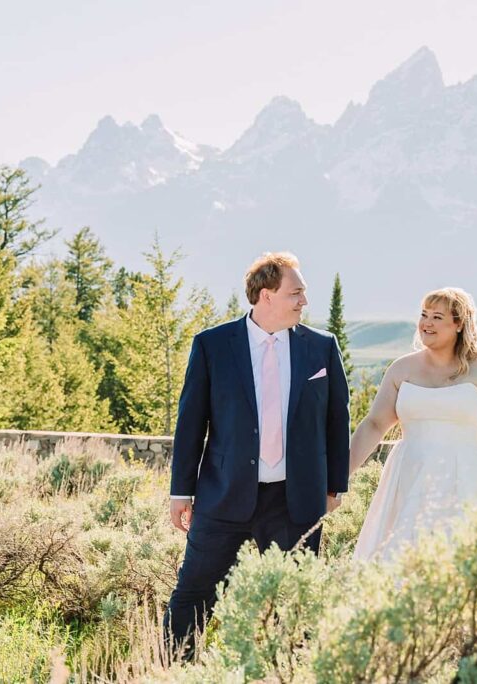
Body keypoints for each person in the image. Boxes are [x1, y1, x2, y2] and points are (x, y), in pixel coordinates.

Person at [163, 252, 350, 656]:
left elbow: (337, 420)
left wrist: (335, 487)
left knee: (295, 603)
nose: (304, 301)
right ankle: (172, 670)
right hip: (223, 497)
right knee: (193, 595)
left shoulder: (321, 347)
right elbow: (191, 423)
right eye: (295, 293)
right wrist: (181, 491)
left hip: (295, 501)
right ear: (266, 296)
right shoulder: (212, 345)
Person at [348, 287, 477, 562]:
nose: (426, 323)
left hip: (469, 477)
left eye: (437, 317)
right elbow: (374, 424)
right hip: (409, 474)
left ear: (459, 324)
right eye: (424, 315)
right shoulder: (401, 369)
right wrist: (337, 479)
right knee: (399, 561)